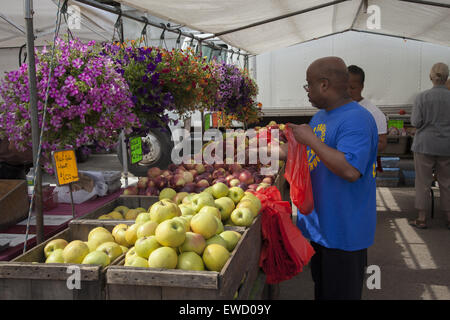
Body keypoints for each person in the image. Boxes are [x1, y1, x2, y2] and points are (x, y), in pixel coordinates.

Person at [277, 57, 378, 300]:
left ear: (324, 85)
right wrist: (265, 150)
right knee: (323, 290)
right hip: (320, 229)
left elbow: (350, 170)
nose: (307, 91)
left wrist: (311, 139)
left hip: (343, 233)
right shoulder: (322, 116)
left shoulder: (356, 119)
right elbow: (313, 156)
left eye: (308, 85)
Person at [409, 62, 450, 230]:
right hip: (446, 145)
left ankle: (422, 218)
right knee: (447, 182)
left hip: (424, 144)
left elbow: (416, 122)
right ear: (447, 77)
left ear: (431, 77)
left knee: (423, 182)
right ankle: (449, 217)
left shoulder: (422, 97)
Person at [347, 65, 388, 153]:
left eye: (352, 88)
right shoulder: (335, 109)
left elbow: (382, 143)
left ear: (362, 86)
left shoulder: (373, 113)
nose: (348, 91)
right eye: (345, 87)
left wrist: (357, 153)